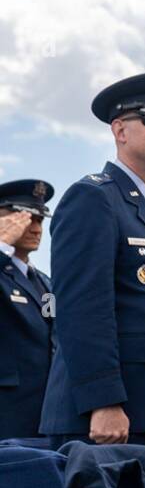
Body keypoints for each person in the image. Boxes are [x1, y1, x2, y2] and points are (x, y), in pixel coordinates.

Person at [40, 74, 145, 448]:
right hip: (106, 419)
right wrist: (103, 400)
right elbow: (82, 307)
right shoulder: (93, 197)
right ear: (120, 130)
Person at [0, 181, 55, 443]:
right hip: (7, 411)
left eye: (40, 220)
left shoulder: (44, 281)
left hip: (45, 411)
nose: (35, 228)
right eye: (25, 218)